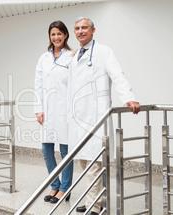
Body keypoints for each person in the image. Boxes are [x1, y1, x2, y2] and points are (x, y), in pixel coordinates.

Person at [67, 17, 140, 215]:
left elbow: (117, 74)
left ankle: (96, 206)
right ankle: (93, 200)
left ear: (92, 30)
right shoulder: (75, 56)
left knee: (94, 163)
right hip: (77, 116)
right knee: (84, 163)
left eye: (84, 28)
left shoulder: (103, 51)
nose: (80, 31)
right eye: (77, 29)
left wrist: (129, 98)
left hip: (95, 116)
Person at [34, 20, 74, 204]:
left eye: (59, 33)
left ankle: (65, 188)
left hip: (66, 110)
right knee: (46, 150)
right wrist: (38, 110)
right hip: (47, 111)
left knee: (66, 150)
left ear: (65, 35)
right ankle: (54, 185)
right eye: (53, 34)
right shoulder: (44, 58)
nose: (56, 37)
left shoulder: (72, 56)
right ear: (49, 37)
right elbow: (38, 85)